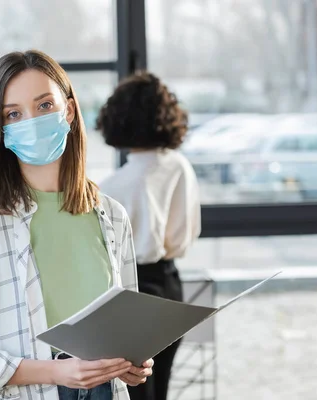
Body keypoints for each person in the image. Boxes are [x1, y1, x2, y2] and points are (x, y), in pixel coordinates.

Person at [0, 50, 154, 400]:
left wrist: (132, 362)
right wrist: (59, 373)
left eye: (44, 106)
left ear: (68, 109)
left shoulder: (111, 215)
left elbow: (123, 329)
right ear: (0, 129)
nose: (31, 122)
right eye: (13, 114)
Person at [97, 71, 201, 400]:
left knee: (136, 390)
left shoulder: (115, 185)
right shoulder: (180, 165)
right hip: (172, 282)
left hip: (136, 288)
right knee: (161, 386)